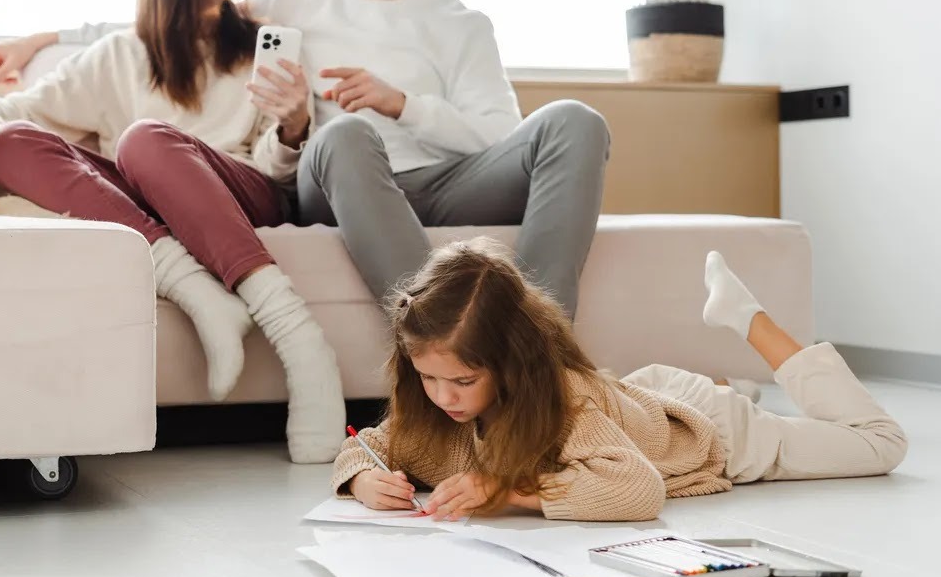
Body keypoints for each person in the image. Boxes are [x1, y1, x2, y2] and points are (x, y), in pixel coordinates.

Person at [0, 0, 344, 464]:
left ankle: (300, 339)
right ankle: (198, 293)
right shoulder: (118, 55)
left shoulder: (263, 46)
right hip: (150, 204)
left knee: (144, 139)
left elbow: (279, 169)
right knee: (11, 143)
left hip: (240, 192)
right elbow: (11, 113)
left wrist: (294, 123)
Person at [244, 0, 611, 318]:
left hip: (443, 187)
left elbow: (499, 136)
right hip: (343, 182)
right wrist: (292, 119)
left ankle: (543, 336)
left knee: (576, 120)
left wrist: (402, 105)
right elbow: (194, 20)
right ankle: (437, 334)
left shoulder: (460, 23)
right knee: (347, 132)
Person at [333, 239, 908, 521]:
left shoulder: (565, 403)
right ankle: (731, 386)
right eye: (427, 377)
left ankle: (746, 318)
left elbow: (638, 491)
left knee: (880, 443)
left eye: (460, 379)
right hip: (642, 404)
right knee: (652, 403)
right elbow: (369, 445)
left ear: (515, 363)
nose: (442, 397)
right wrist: (363, 481)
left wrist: (505, 491)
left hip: (715, 436)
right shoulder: (439, 403)